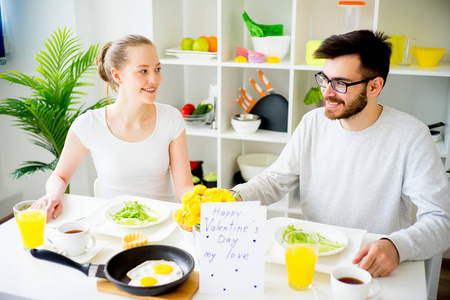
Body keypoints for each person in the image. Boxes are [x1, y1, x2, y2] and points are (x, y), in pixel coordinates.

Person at [232, 30, 450, 277]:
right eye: (324, 79)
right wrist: (233, 198)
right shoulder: (312, 122)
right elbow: (274, 181)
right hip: (311, 256)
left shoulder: (411, 136)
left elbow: (441, 221)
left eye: (340, 83)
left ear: (375, 86)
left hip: (373, 266)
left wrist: (396, 247)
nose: (326, 92)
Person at [40, 34, 194, 221]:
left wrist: (208, 202)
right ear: (117, 75)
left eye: (157, 69)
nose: (154, 79)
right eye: (143, 71)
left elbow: (185, 189)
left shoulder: (171, 119)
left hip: (164, 223)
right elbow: (60, 177)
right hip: (113, 225)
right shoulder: (89, 124)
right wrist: (54, 194)